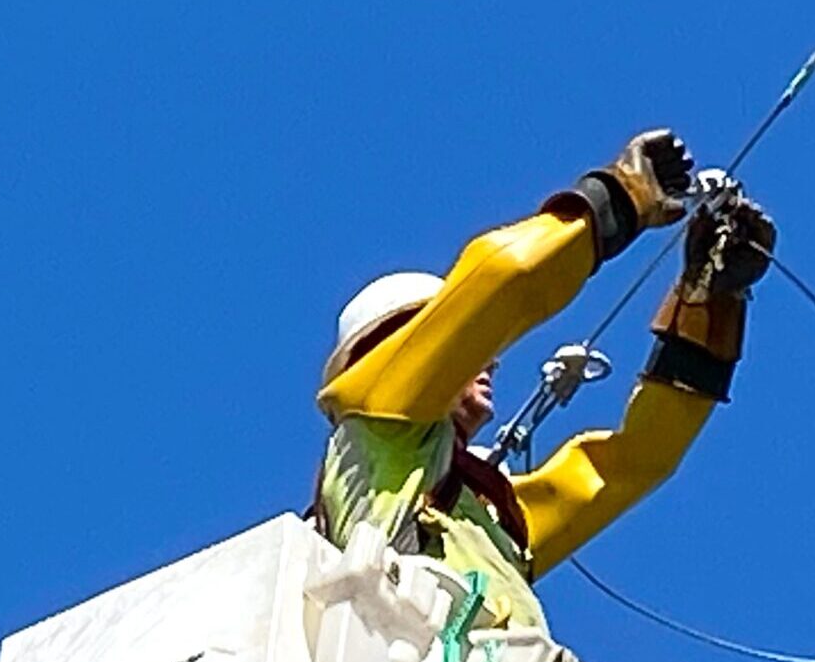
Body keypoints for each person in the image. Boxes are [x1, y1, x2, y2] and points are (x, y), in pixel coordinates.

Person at [314, 130, 775, 629]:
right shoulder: (374, 418)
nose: (489, 360)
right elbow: (505, 282)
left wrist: (706, 305)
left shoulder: (490, 515)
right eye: (466, 344)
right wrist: (618, 199)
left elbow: (634, 463)